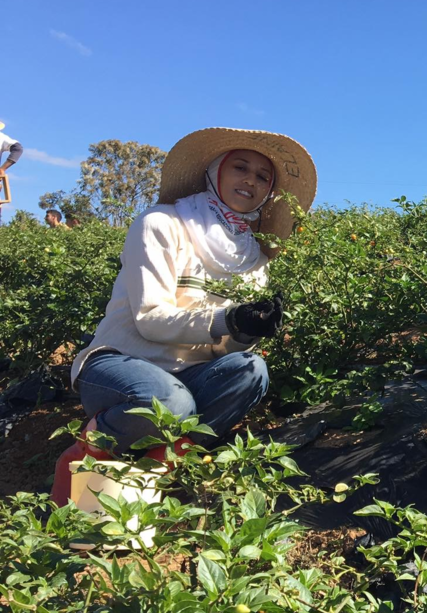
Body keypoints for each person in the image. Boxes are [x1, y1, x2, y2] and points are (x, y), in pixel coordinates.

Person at [52, 127, 317, 506]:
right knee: (169, 404)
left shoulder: (254, 259)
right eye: (240, 167)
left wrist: (247, 330)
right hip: (124, 364)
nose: (250, 181)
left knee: (251, 370)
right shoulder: (162, 224)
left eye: (263, 177)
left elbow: (228, 348)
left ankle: (157, 468)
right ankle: (85, 454)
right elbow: (150, 318)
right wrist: (230, 318)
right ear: (214, 171)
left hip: (191, 376)